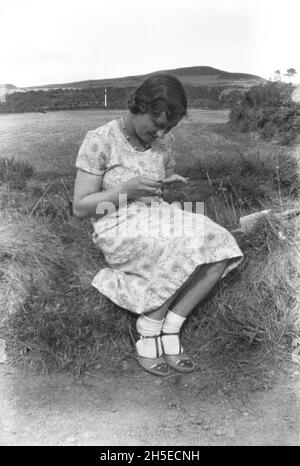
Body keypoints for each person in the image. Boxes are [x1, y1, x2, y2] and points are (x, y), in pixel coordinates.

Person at [73, 73, 243, 377]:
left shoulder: (165, 143)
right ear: (139, 106)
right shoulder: (99, 140)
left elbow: (161, 190)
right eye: (157, 124)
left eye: (170, 127)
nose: (162, 134)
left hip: (158, 214)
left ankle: (172, 326)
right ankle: (149, 327)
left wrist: (170, 189)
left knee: (221, 240)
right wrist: (128, 190)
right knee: (181, 245)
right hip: (116, 224)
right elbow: (82, 208)